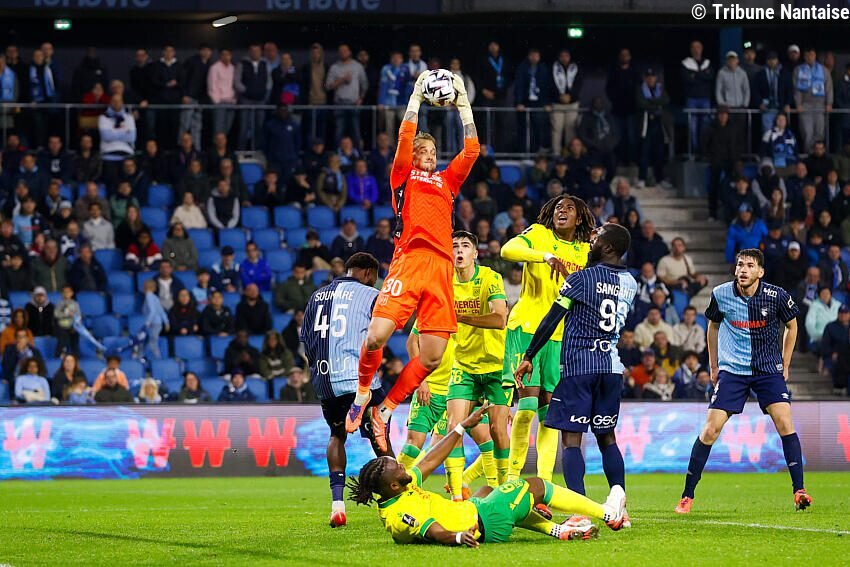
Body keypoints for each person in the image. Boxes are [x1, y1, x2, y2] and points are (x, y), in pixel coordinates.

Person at [348, 71, 479, 453]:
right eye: (424, 151)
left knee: (433, 356)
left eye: (433, 152)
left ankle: (384, 410)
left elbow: (472, 151)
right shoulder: (403, 177)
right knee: (376, 336)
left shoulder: (447, 182)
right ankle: (362, 394)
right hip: (409, 261)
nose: (430, 156)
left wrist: (463, 103)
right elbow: (406, 136)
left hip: (441, 269)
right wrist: (417, 98)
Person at [348, 405, 627, 546]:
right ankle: (608, 514)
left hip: (475, 510)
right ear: (393, 485)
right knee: (535, 486)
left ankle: (557, 530)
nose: (403, 466)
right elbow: (431, 530)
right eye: (397, 468)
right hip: (484, 522)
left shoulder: (398, 491)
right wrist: (457, 538)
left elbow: (431, 459)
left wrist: (461, 427)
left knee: (486, 492)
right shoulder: (401, 514)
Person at [515, 223, 636, 524]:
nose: (590, 241)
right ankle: (619, 501)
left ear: (608, 247)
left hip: (579, 368)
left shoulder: (581, 279)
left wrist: (529, 355)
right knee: (607, 437)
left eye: (597, 238)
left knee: (571, 440)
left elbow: (552, 318)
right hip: (611, 367)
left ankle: (579, 512)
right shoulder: (631, 283)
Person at [676, 248, 811, 514]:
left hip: (767, 370)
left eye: (750, 265)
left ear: (760, 271)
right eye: (740, 265)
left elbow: (792, 325)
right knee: (710, 430)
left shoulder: (777, 296)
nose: (743, 270)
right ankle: (687, 496)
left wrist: (785, 364)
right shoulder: (720, 294)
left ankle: (799, 491)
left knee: (785, 423)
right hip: (733, 371)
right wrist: (714, 365)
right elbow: (713, 326)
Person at [499, 195, 594, 482]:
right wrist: (545, 256)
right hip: (528, 328)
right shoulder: (540, 234)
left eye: (569, 208)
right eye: (557, 208)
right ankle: (513, 479)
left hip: (561, 336)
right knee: (527, 407)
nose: (561, 211)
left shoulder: (585, 251)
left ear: (579, 218)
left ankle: (544, 483)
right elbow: (507, 250)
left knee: (550, 412)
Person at [299, 256, 388, 522]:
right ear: (368, 273)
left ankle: (337, 505)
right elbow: (379, 335)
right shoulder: (371, 295)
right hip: (358, 379)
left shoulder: (316, 296)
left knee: (336, 435)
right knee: (379, 435)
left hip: (325, 379)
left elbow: (306, 340)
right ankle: (397, 500)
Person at [440, 231, 510, 500]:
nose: (459, 250)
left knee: (497, 430)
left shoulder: (490, 278)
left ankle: (504, 492)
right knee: (453, 427)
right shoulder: (445, 282)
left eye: (465, 246)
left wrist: (459, 317)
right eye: (454, 246)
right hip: (464, 366)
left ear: (475, 253)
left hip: (496, 365)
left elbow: (499, 319)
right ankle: (457, 497)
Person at [325, 44, 368, 147]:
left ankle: (358, 154)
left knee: (355, 131)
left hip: (354, 103)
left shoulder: (357, 66)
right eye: (341, 51)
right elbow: (328, 86)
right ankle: (337, 153)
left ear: (349, 52)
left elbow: (365, 84)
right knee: (339, 131)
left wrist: (361, 98)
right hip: (339, 103)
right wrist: (341, 80)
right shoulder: (334, 67)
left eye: (345, 51)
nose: (343, 53)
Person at [794, 47, 833, 153]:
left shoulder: (824, 70)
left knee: (819, 132)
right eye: (807, 55)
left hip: (820, 105)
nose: (809, 57)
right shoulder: (798, 70)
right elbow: (796, 89)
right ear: (804, 56)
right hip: (805, 105)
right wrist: (798, 103)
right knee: (807, 132)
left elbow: (829, 88)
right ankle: (808, 154)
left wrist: (829, 103)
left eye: (811, 55)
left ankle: (818, 154)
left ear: (815, 56)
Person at [636, 69, 670, 187]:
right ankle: (642, 178)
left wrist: (651, 101)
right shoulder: (640, 89)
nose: (651, 79)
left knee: (659, 153)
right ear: (645, 78)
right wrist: (657, 105)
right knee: (644, 152)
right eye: (648, 77)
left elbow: (666, 100)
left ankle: (660, 179)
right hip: (646, 124)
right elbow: (641, 103)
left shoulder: (660, 88)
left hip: (659, 124)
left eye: (653, 76)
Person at [514, 48, 552, 154]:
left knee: (538, 127)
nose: (534, 58)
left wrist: (547, 103)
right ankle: (523, 152)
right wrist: (519, 102)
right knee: (523, 128)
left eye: (536, 55)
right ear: (529, 56)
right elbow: (519, 85)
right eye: (532, 55)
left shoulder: (543, 68)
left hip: (539, 102)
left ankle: (537, 152)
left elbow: (547, 87)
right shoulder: (522, 68)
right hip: (525, 102)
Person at [235, 44, 270, 150]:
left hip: (260, 100)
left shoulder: (265, 64)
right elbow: (237, 81)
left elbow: (269, 81)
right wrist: (246, 91)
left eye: (257, 51)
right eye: (253, 51)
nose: (255, 53)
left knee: (259, 126)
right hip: (246, 100)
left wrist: (265, 92)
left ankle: (257, 150)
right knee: (244, 126)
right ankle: (241, 150)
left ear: (261, 52)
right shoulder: (242, 64)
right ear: (249, 52)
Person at [682, 40, 714, 152]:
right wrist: (703, 75)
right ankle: (695, 151)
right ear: (691, 50)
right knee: (693, 127)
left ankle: (704, 150)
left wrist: (695, 75)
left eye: (698, 47)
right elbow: (687, 79)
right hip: (692, 99)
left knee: (706, 126)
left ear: (702, 49)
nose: (696, 50)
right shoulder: (686, 63)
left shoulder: (707, 63)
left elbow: (710, 77)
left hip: (705, 98)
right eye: (694, 47)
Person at [178, 44, 212, 150]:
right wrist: (184, 94)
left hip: (200, 100)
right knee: (185, 125)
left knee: (197, 126)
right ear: (200, 51)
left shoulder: (209, 64)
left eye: (208, 50)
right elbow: (183, 78)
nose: (206, 53)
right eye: (204, 50)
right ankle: (180, 148)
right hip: (189, 97)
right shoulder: (192, 61)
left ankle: (197, 149)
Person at [551, 49, 583, 156]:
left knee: (571, 130)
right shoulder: (553, 68)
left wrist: (570, 96)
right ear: (559, 57)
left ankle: (569, 154)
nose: (564, 58)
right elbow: (550, 84)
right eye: (562, 56)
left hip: (572, 103)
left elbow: (579, 84)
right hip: (557, 103)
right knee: (556, 129)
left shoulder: (575, 68)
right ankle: (556, 153)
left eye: (566, 56)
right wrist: (559, 96)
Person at [98, 94, 136, 186]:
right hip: (108, 155)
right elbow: (106, 136)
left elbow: (132, 137)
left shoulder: (129, 118)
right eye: (114, 101)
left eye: (119, 101)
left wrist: (113, 133)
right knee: (111, 186)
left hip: (127, 155)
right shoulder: (103, 118)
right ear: (110, 102)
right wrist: (124, 132)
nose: (116, 103)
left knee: (127, 186)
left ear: (122, 103)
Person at [263, 105, 300, 178]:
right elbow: (265, 142)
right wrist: (269, 156)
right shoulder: (270, 125)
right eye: (281, 110)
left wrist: (294, 156)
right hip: (274, 160)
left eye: (285, 110)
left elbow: (298, 142)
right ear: (277, 111)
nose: (283, 113)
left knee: (288, 180)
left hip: (290, 160)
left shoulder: (294, 125)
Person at [207, 48, 237, 140]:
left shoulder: (232, 68)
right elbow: (212, 85)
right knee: (218, 129)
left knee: (227, 128)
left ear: (231, 56)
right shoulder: (214, 68)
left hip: (231, 102)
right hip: (220, 102)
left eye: (228, 55)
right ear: (220, 56)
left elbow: (234, 84)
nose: (226, 57)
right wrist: (217, 101)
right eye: (223, 54)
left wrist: (234, 99)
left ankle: (223, 147)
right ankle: (215, 147)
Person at [137, 278, 169, 360]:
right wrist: (166, 322)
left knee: (152, 343)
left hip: (153, 324)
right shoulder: (155, 297)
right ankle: (139, 357)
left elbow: (152, 311)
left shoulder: (149, 296)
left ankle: (158, 360)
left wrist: (147, 323)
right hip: (157, 323)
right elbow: (161, 311)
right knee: (145, 342)